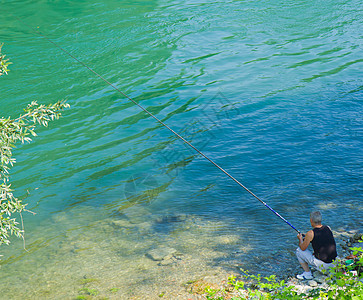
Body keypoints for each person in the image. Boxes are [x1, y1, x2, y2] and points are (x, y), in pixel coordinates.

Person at [296, 211, 337, 280]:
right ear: (320, 219)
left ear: (311, 220)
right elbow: (321, 238)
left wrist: (300, 239)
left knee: (298, 251)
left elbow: (302, 248)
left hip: (324, 266)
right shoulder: (328, 228)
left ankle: (307, 274)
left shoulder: (310, 233)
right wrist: (308, 236)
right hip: (334, 263)